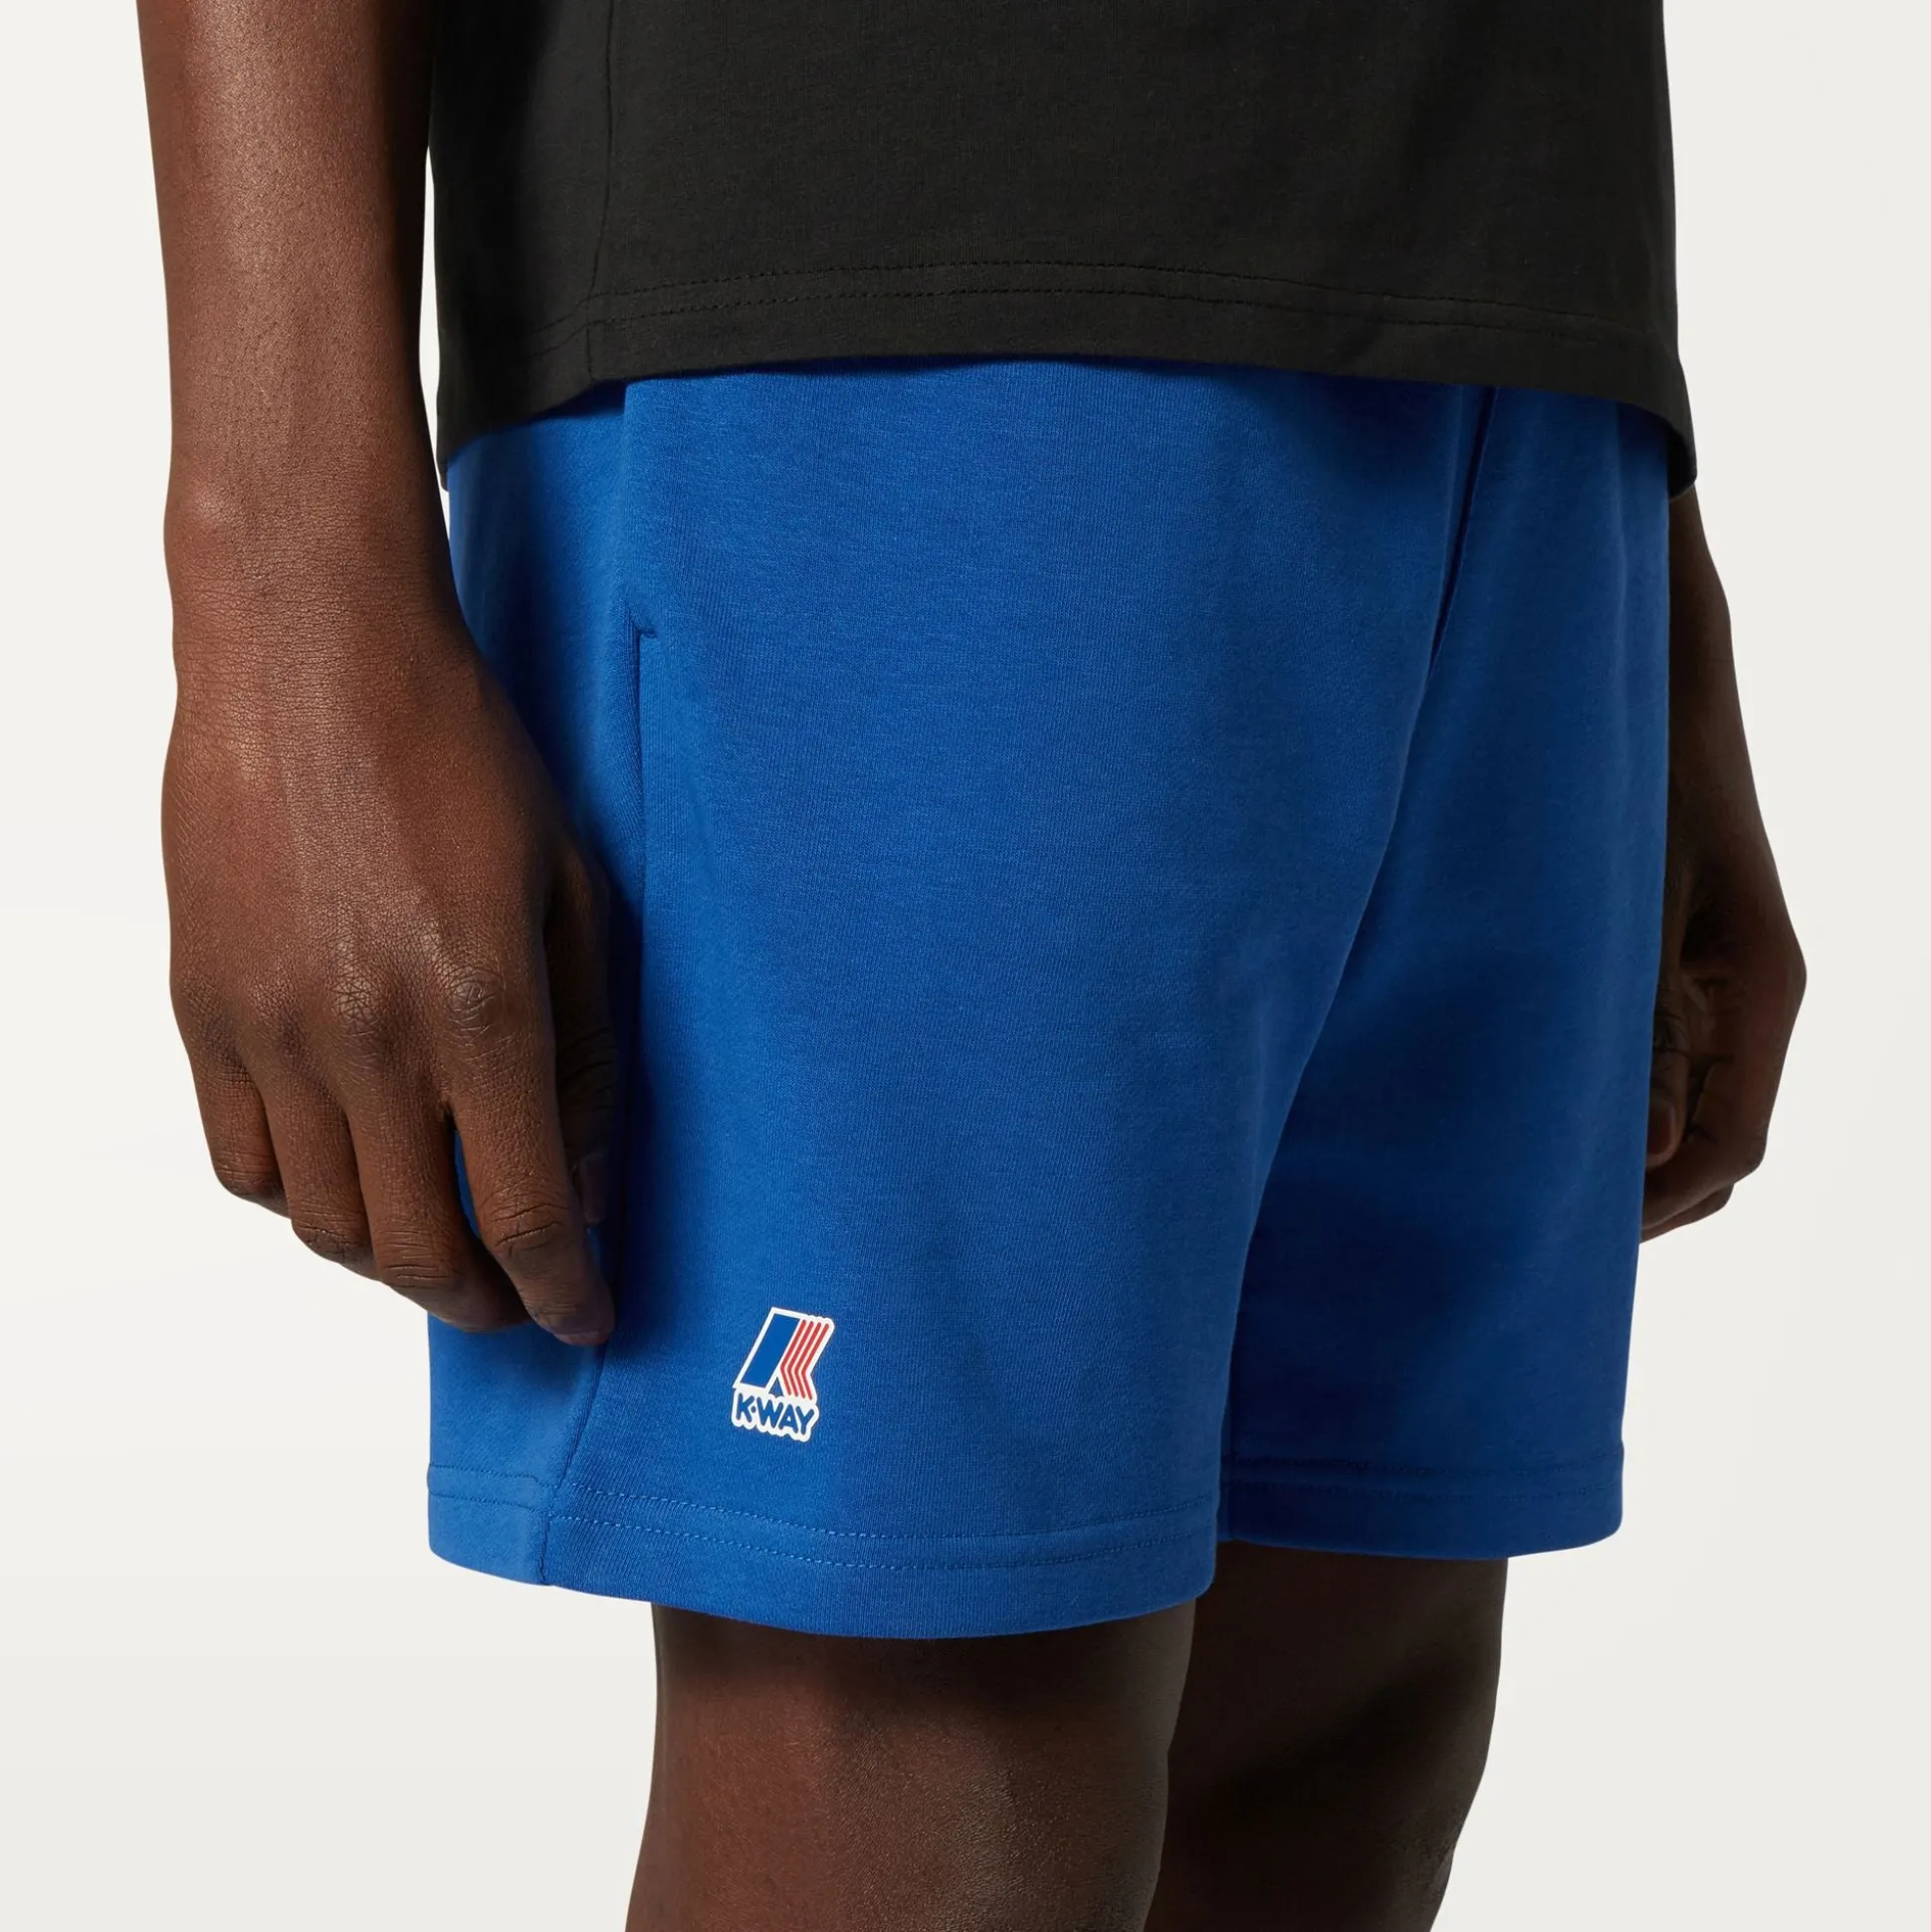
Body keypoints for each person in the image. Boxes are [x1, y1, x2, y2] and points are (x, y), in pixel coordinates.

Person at [136, 2, 1805, 1925]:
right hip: (877, 289)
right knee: (933, 1765)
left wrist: (1655, 533)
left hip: (1520, 326)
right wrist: (279, 574)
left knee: (1341, 1734)